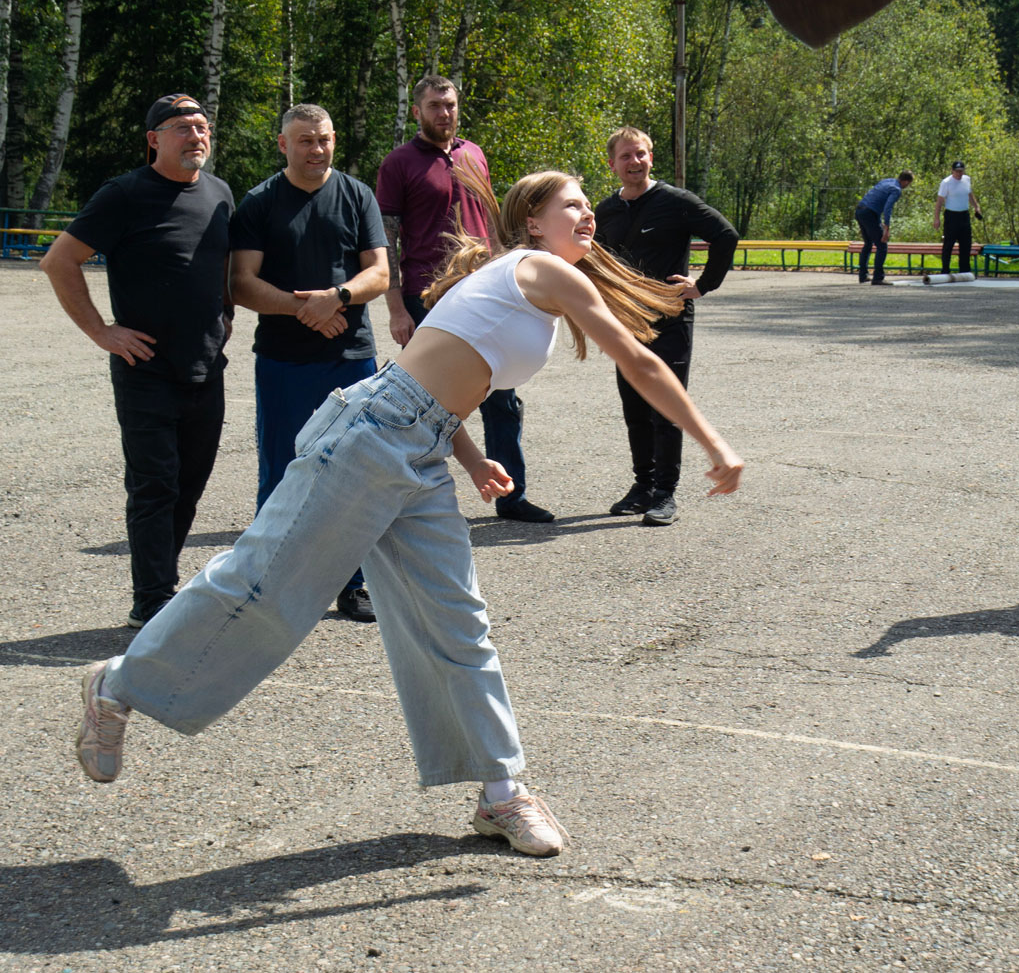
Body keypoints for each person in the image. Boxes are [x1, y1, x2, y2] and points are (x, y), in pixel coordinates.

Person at [73, 168, 744, 858]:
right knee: (264, 586)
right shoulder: (540, 268)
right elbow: (639, 362)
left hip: (417, 446)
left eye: (585, 203)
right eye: (570, 203)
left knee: (458, 622)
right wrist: (713, 443)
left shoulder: (518, 281)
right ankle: (117, 684)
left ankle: (501, 792)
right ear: (533, 222)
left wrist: (472, 458)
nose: (587, 213)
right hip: (371, 436)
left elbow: (437, 377)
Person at [40, 94, 233, 629]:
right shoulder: (124, 195)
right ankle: (152, 600)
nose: (196, 135)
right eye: (181, 128)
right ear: (153, 139)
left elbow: (219, 264)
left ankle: (160, 584)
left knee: (190, 484)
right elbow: (60, 260)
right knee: (155, 485)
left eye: (202, 126)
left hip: (206, 365)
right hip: (146, 368)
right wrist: (102, 331)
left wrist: (227, 312)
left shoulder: (218, 194)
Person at [229, 104, 389, 622]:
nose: (316, 150)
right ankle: (269, 584)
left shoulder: (357, 195)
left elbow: (380, 274)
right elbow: (242, 283)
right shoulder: (259, 203)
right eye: (304, 141)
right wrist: (307, 308)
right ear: (283, 145)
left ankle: (357, 585)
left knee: (360, 473)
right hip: (285, 362)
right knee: (282, 473)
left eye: (323, 140)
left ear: (334, 139)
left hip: (351, 359)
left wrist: (338, 296)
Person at [376, 74, 552, 523]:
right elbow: (387, 240)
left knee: (502, 397)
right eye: (434, 106)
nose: (444, 113)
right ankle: (410, 499)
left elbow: (491, 223)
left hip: (484, 292)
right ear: (417, 112)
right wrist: (396, 307)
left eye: (450, 104)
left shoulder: (473, 154)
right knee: (427, 400)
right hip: (427, 295)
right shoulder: (399, 164)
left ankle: (511, 497)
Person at [594, 126, 739, 527]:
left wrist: (702, 285)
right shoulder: (605, 211)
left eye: (640, 154)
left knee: (666, 408)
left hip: (670, 320)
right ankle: (642, 487)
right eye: (625, 156)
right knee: (635, 407)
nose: (634, 162)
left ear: (651, 158)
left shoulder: (675, 201)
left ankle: (664, 494)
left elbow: (725, 235)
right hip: (626, 321)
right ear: (612, 164)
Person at [854, 171, 914, 285]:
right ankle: (878, 278)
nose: (907, 186)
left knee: (868, 244)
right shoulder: (897, 190)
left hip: (860, 210)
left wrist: (879, 222)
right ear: (906, 181)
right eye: (909, 184)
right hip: (869, 214)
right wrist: (887, 227)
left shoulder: (886, 181)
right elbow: (887, 207)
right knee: (882, 245)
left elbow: (874, 199)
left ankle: (863, 276)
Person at [933, 160, 982, 275]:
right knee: (948, 244)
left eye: (961, 171)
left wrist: (976, 207)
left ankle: (964, 270)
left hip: (964, 215)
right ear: (952, 171)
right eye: (957, 171)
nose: (959, 174)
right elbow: (939, 201)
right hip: (951, 216)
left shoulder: (967, 179)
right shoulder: (946, 182)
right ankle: (945, 270)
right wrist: (936, 218)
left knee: (966, 244)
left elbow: (969, 194)